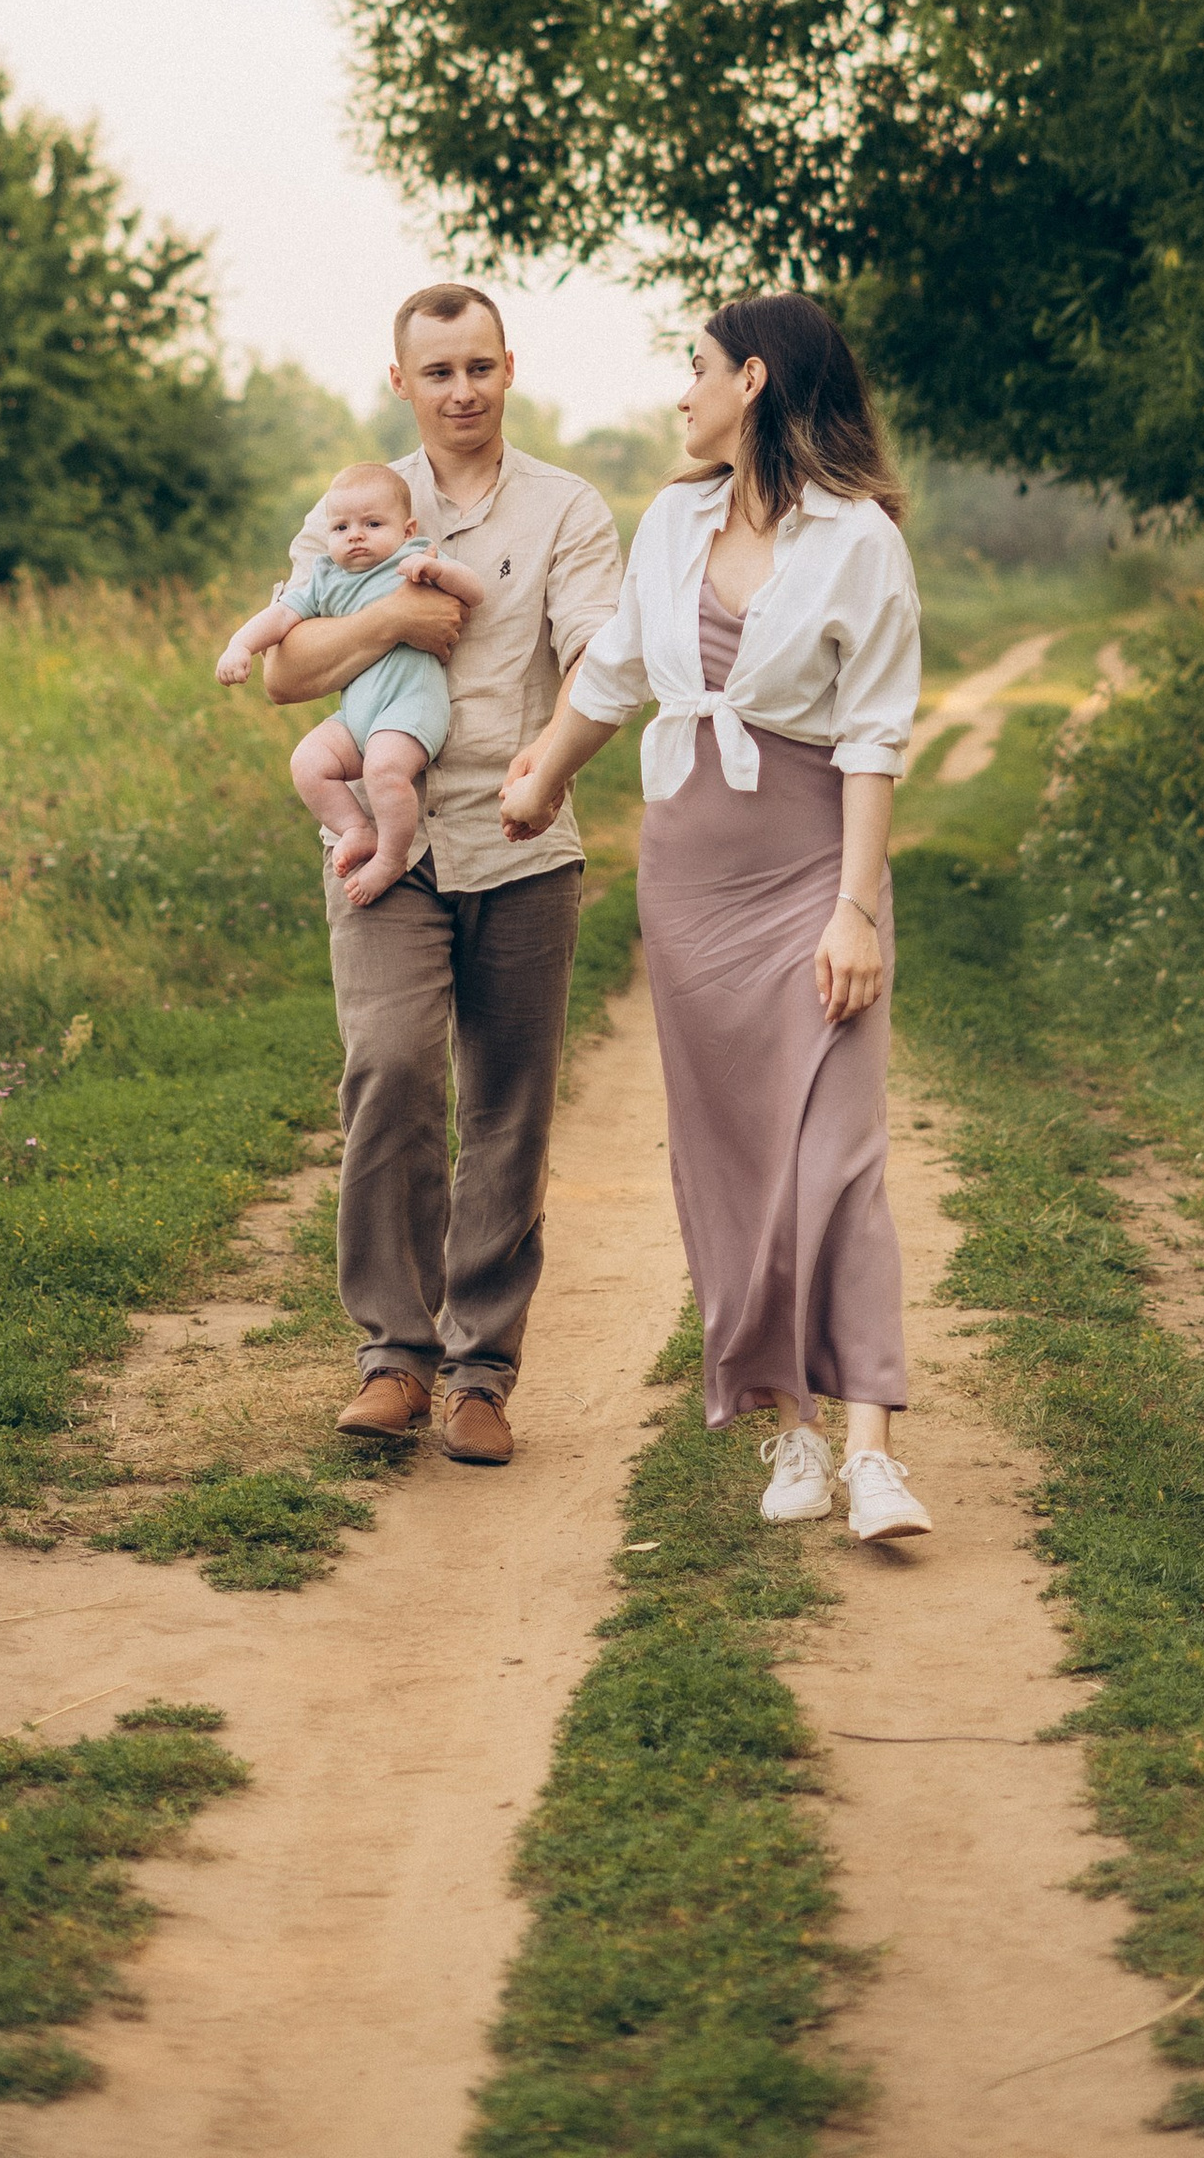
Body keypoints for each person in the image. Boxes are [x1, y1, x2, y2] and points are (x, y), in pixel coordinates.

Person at [498, 293, 930, 1545]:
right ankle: (792, 1429)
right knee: (736, 1161)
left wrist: (854, 911)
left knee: (837, 1156)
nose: (678, 393)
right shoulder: (674, 521)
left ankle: (873, 1453)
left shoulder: (858, 539)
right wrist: (542, 775)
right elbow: (617, 673)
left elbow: (874, 735)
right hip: (690, 880)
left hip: (813, 869)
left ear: (752, 381)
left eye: (694, 369)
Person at [255, 286, 624, 1468]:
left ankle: (479, 1377)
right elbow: (285, 670)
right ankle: (394, 1359)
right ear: (401, 382)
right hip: (384, 845)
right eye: (437, 371)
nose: (460, 391)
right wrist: (392, 622)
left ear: (508, 368)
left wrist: (553, 765)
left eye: (478, 367)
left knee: (508, 1109)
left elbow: (599, 658)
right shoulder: (356, 506)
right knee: (392, 1070)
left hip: (520, 846)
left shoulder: (566, 508)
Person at [215, 464, 485, 902]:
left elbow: (474, 591)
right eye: (341, 527)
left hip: (410, 706)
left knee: (383, 768)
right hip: (357, 716)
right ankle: (357, 828)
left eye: (372, 525)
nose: (355, 536)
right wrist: (239, 646)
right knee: (308, 762)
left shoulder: (414, 558)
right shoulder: (326, 578)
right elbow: (280, 617)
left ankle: (391, 857)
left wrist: (438, 572)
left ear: (407, 529)